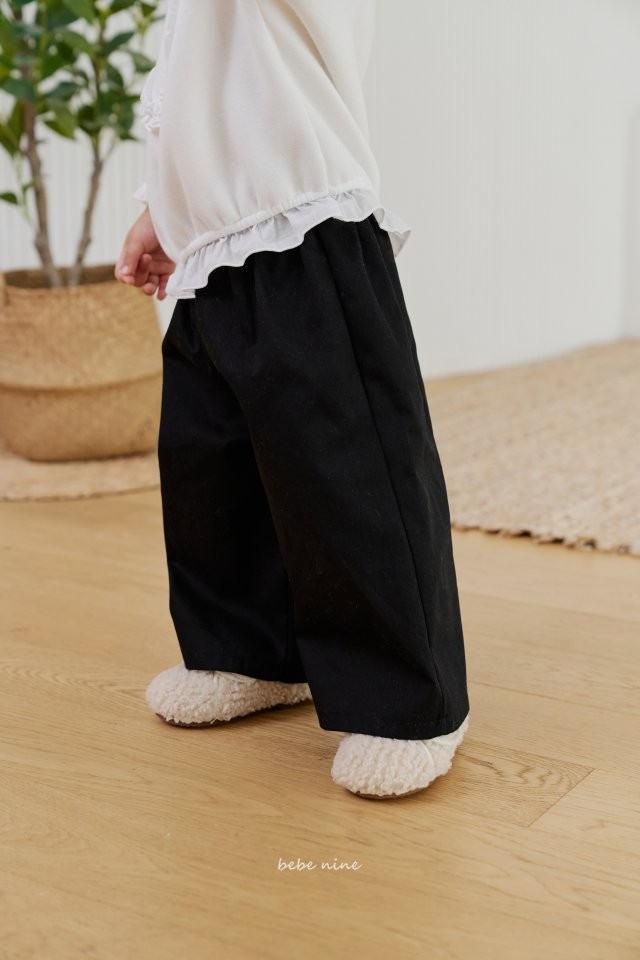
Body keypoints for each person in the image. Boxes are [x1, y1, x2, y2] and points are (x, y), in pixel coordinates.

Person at [115, 0, 470, 799]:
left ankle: (414, 699)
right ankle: (250, 649)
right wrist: (161, 203)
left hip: (303, 210)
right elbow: (198, 76)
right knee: (213, 459)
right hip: (212, 237)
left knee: (349, 466)